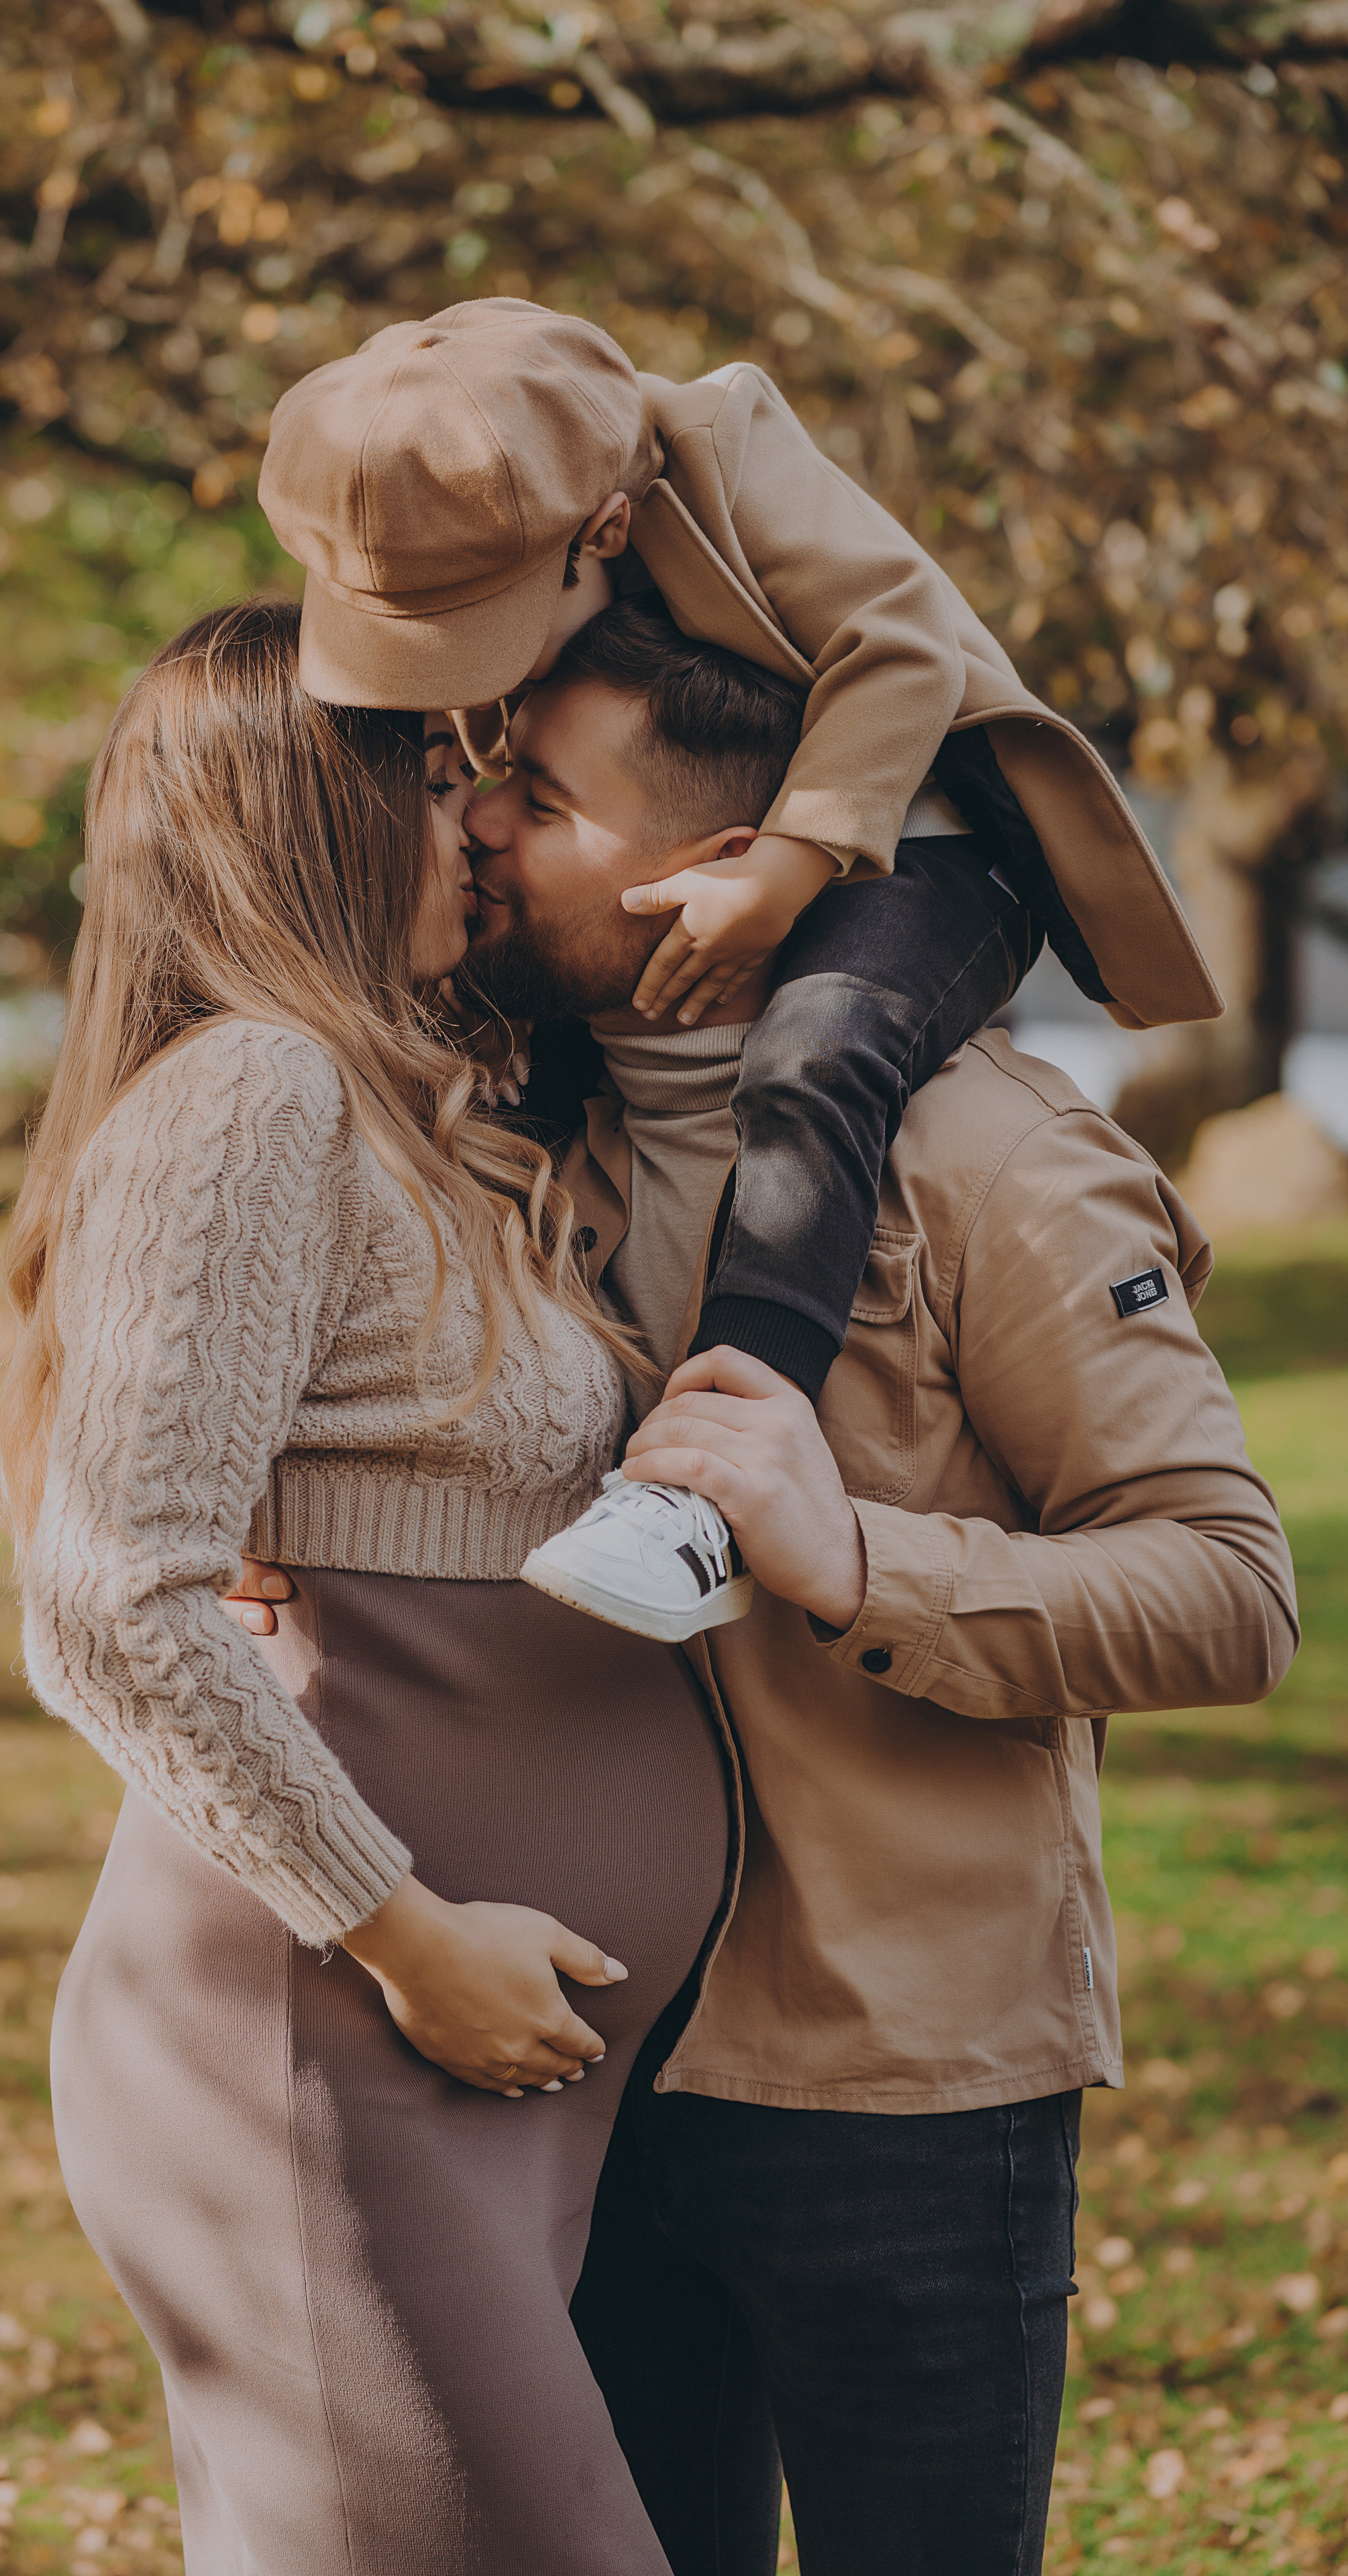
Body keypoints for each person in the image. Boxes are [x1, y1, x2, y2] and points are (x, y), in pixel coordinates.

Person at [445, 598, 1302, 2574]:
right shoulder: (501, 1143)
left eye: (539, 799)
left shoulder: (994, 1159)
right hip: (575, 2056)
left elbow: (1230, 1590)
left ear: (705, 876)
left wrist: (851, 1559)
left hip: (899, 2091)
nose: (481, 826)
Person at [0, 599, 733, 2575]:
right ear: (308, 815)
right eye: (430, 772)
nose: (480, 813)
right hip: (334, 2037)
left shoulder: (406, 1106)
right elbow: (111, 1600)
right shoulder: (256, 1097)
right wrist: (403, 1934)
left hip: (458, 2059)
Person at [259, 297, 1224, 1642]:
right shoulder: (583, 1129)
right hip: (602, 1833)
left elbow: (899, 651)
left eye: (526, 797)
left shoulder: (724, 449)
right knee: (502, 1069)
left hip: (918, 835)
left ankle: (720, 1446)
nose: (474, 813)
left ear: (593, 532)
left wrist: (784, 868)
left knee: (818, 1050)